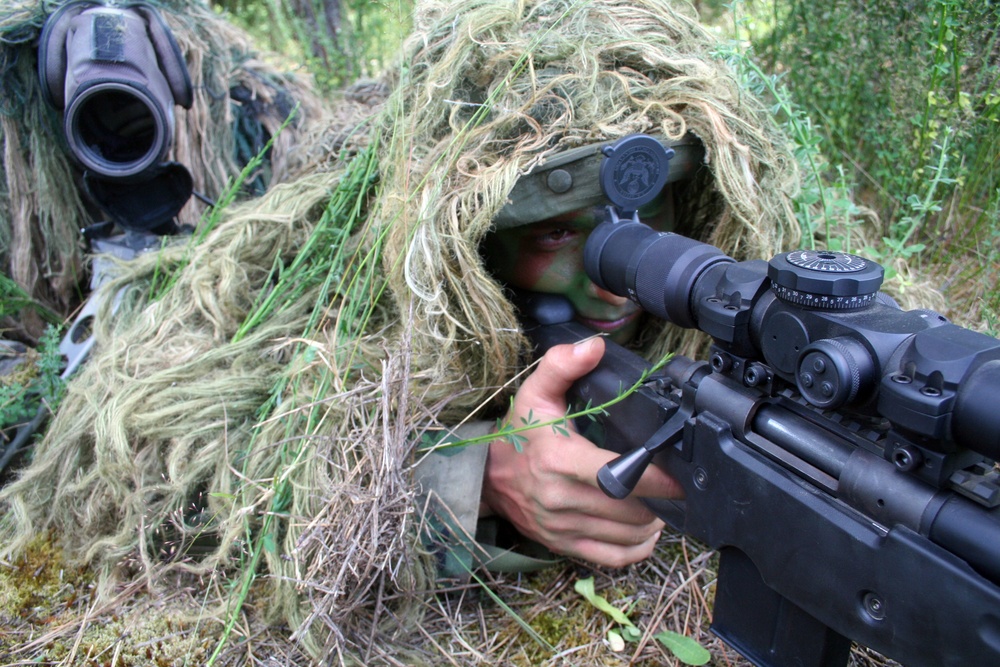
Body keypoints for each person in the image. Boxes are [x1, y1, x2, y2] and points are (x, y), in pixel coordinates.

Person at [0, 0, 800, 661]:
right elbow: (158, 463)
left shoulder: (720, 262)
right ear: (470, 243)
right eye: (557, 233)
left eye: (642, 215)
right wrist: (479, 479)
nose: (608, 277)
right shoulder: (370, 274)